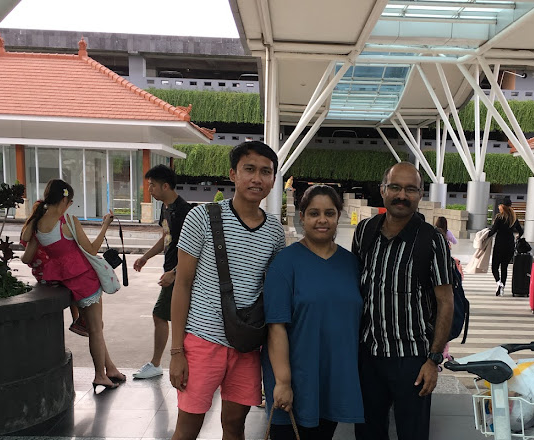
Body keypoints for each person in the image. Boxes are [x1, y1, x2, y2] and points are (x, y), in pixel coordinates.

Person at [168, 141, 286, 440]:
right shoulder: (201, 217)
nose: (257, 179)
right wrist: (177, 351)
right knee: (187, 428)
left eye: (265, 172)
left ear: (273, 180)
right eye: (249, 169)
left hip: (246, 346)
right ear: (233, 174)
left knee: (235, 425)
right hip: (202, 341)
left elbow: (273, 290)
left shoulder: (274, 231)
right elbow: (182, 285)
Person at [352, 162, 454, 440]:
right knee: (368, 432)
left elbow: (446, 302)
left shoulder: (432, 241)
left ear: (420, 194)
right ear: (382, 190)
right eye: (395, 187)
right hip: (369, 356)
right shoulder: (365, 231)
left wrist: (433, 360)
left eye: (410, 189)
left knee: (412, 433)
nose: (402, 195)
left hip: (413, 360)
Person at [263, 185, 364, 440]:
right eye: (314, 213)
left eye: (329, 213)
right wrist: (283, 382)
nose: (322, 220)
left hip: (333, 381)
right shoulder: (285, 264)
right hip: (296, 381)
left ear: (338, 216)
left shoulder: (351, 264)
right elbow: (276, 327)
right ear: (302, 216)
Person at [21, 179, 125, 391]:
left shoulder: (38, 225)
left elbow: (26, 258)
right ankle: (100, 375)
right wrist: (105, 225)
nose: (70, 205)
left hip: (66, 282)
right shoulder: (68, 221)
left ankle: (111, 368)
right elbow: (92, 250)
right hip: (84, 278)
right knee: (96, 330)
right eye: (70, 201)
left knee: (96, 327)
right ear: (64, 199)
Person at [132, 165, 192, 379]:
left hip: (182, 275)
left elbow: (195, 249)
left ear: (165, 186)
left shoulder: (184, 211)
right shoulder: (166, 208)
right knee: (180, 320)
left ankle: (157, 363)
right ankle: (187, 365)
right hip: (173, 272)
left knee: (160, 314)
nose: (149, 190)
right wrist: (145, 257)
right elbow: (166, 238)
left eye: (152, 185)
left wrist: (174, 272)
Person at [487, 196, 523, 296]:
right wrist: (517, 237)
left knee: (494, 267)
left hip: (499, 245)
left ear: (502, 206)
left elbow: (493, 231)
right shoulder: (514, 218)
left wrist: (484, 236)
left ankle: (499, 283)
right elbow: (521, 231)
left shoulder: (499, 217)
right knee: (504, 267)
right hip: (510, 245)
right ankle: (502, 288)